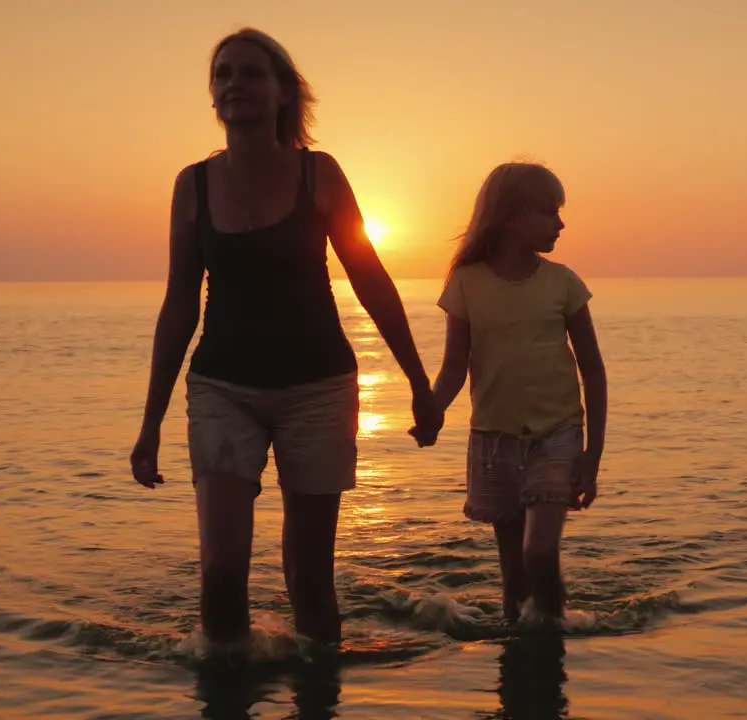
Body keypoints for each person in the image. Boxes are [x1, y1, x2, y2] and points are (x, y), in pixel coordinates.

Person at [129, 27, 443, 649]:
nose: (234, 84)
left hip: (318, 388)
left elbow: (371, 280)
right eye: (223, 75)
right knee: (221, 575)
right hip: (222, 387)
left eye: (250, 73)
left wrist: (418, 382)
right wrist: (150, 423)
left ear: (281, 93)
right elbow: (178, 305)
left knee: (309, 580)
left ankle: (319, 693)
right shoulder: (191, 185)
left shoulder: (318, 174)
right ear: (212, 97)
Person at [416, 162, 607, 623]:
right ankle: (523, 662)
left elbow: (594, 371)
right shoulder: (467, 284)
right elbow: (453, 368)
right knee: (514, 578)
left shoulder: (564, 284)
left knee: (539, 552)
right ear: (510, 217)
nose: (560, 223)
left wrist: (592, 454)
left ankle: (553, 632)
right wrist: (433, 411)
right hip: (493, 442)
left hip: (556, 436)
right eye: (548, 212)